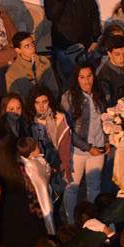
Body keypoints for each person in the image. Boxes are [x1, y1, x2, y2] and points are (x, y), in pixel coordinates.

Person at [61, 65, 108, 221]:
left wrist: (107, 140)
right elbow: (68, 130)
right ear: (76, 79)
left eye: (89, 76)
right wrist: (88, 148)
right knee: (72, 188)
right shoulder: (69, 97)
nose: (87, 81)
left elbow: (107, 119)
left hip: (99, 148)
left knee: (94, 187)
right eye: (82, 77)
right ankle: (71, 222)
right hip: (78, 151)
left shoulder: (100, 93)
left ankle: (92, 221)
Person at [43, 0, 101, 87]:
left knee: (89, 81)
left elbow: (94, 11)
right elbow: (52, 15)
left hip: (86, 44)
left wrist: (96, 38)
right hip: (66, 49)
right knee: (71, 82)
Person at [25, 85, 71, 189]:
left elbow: (65, 144)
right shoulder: (29, 120)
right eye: (37, 102)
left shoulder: (59, 117)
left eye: (44, 102)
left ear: (49, 101)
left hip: (57, 163)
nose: (41, 106)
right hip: (36, 166)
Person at [17, 135, 55, 236]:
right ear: (31, 151)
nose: (39, 148)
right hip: (40, 199)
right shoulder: (32, 167)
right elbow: (42, 187)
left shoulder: (31, 161)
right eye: (37, 147)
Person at [5, 31, 58, 101]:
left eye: (32, 43)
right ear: (18, 50)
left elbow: (53, 89)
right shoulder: (12, 73)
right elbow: (16, 100)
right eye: (27, 46)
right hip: (27, 109)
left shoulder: (44, 61)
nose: (32, 48)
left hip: (47, 104)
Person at [96, 33, 124, 109]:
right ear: (109, 54)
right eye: (117, 54)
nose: (122, 58)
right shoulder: (104, 77)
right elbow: (108, 105)